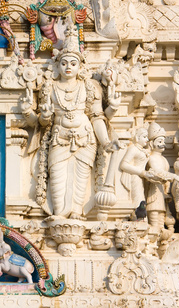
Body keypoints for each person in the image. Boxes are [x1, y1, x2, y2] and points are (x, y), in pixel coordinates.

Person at [20, 25, 120, 220]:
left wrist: (106, 140)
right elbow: (42, 121)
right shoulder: (50, 87)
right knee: (57, 178)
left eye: (73, 63)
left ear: (80, 67)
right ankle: (60, 213)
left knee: (80, 180)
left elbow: (97, 117)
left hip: (85, 139)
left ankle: (76, 213)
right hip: (59, 139)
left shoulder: (90, 87)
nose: (68, 67)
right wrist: (43, 115)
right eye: (64, 63)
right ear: (57, 66)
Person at [120, 128, 153, 206]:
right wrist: (142, 172)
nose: (147, 139)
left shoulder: (141, 150)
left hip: (140, 177)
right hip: (134, 176)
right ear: (137, 138)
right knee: (138, 201)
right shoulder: (133, 149)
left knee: (141, 200)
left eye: (147, 137)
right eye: (144, 137)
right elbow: (123, 164)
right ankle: (137, 217)